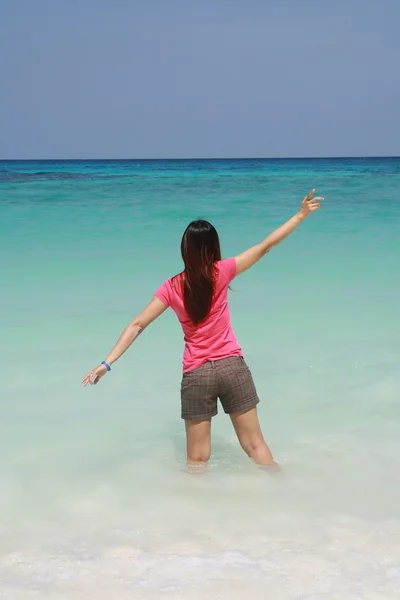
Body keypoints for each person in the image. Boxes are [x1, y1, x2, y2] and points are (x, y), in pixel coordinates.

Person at [82, 189, 323, 468]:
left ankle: (196, 510)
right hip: (233, 367)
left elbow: (137, 325)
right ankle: (284, 493)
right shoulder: (222, 271)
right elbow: (265, 246)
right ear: (213, 247)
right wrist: (300, 215)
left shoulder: (171, 287)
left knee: (197, 461)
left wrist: (106, 363)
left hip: (197, 374)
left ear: (185, 249)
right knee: (256, 446)